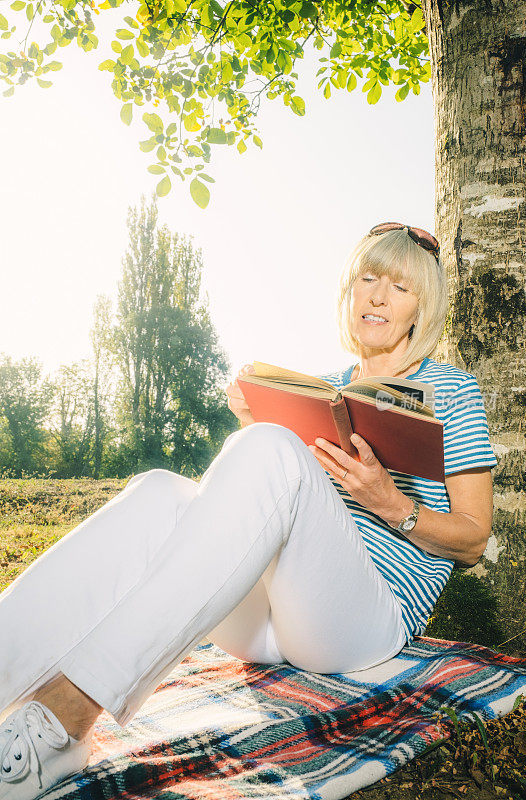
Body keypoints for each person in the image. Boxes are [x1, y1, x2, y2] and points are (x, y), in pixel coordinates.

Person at [0, 223, 497, 800]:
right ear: (349, 291)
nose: (379, 297)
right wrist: (259, 427)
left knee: (271, 450)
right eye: (368, 279)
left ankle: (64, 722)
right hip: (266, 620)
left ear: (423, 307)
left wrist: (392, 504)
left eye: (401, 287)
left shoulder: (453, 392)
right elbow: (278, 498)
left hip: (361, 626)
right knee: (160, 492)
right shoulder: (324, 389)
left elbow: (473, 538)